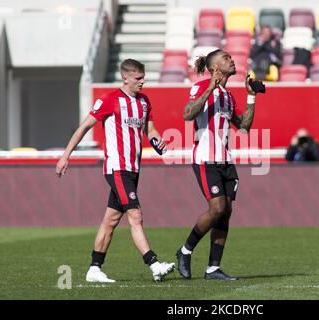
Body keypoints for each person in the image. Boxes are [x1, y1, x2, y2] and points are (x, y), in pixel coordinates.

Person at [55, 59, 175, 283]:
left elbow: (150, 129)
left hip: (133, 169)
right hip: (116, 168)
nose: (143, 82)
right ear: (126, 78)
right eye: (138, 78)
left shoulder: (144, 101)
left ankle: (94, 269)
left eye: (143, 77)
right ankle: (154, 264)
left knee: (110, 221)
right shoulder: (109, 100)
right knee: (135, 215)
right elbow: (84, 127)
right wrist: (65, 156)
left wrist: (159, 142)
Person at [177, 49, 258, 281]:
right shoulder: (202, 86)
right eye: (226, 59)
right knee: (217, 209)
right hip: (205, 159)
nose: (232, 60)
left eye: (231, 58)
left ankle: (213, 268)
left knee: (226, 212)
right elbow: (187, 114)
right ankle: (185, 251)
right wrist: (210, 88)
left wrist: (251, 96)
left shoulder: (228, 96)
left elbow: (244, 127)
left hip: (225, 160)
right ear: (214, 68)